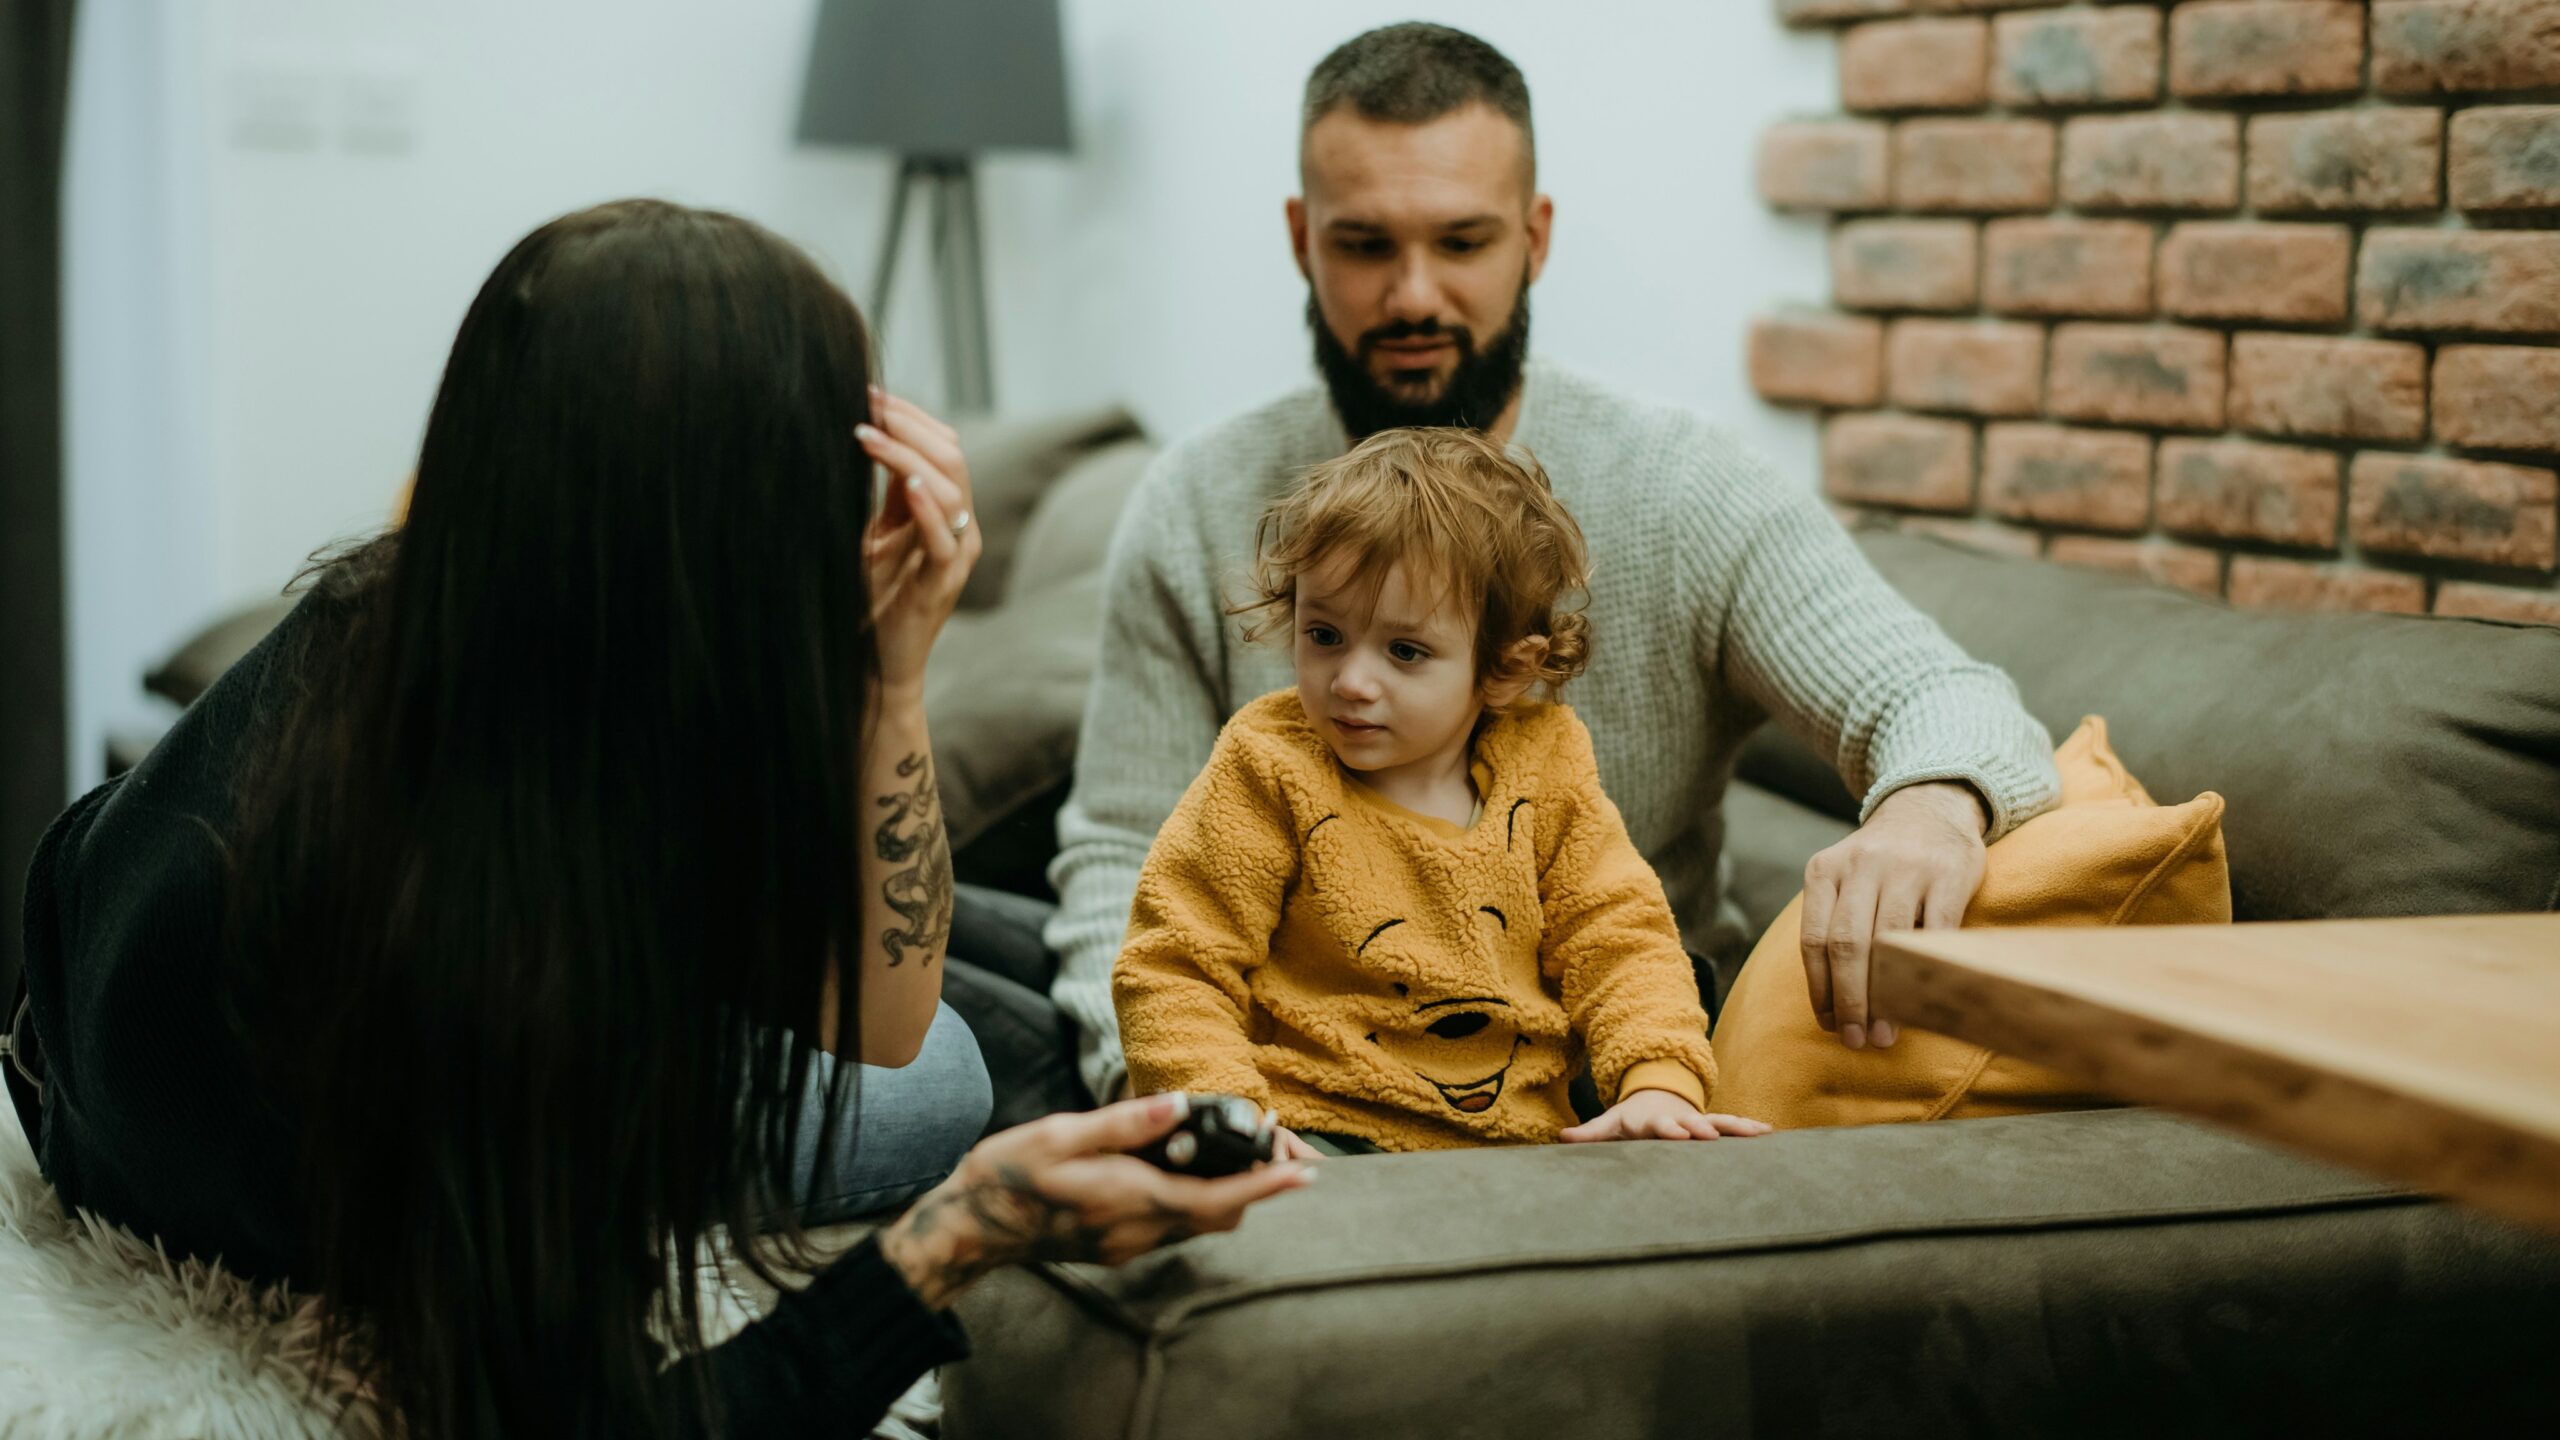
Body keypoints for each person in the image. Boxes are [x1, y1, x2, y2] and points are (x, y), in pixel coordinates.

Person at [5, 199, 1306, 1438]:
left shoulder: (444, 617)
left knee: (1016, 945)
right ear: (739, 520)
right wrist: (961, 1231)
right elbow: (618, 1417)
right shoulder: (465, 960)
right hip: (234, 1119)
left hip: (134, 1045)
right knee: (973, 1065)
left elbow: (870, 999)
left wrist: (893, 670)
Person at [1015, 22, 2064, 1114]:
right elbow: (1120, 866)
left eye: (1462, 243)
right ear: (1300, 238)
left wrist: (1926, 814)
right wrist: (1167, 1108)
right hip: (1278, 1075)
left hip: (1587, 1071)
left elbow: (1949, 700)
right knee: (920, 1004)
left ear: (1535, 236)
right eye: (1364, 245)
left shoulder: (1681, 489)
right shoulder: (1194, 500)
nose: (1412, 296)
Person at [1112, 428, 1773, 1155]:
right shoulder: (1267, 765)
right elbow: (1175, 960)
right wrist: (1225, 1118)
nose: (1352, 681)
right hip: (1313, 1127)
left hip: (1517, 1143)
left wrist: (1656, 1084)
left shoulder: (1546, 769)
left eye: (1405, 651)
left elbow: (1621, 940)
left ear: (1503, 671)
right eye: (1324, 634)